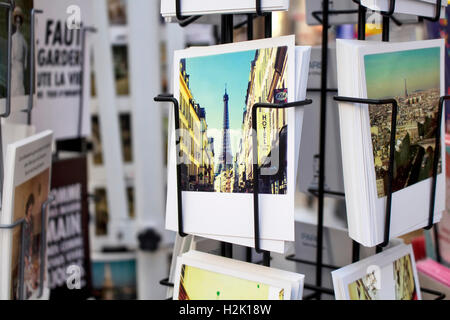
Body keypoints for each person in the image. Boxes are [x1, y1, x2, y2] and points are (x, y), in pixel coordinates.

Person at [11, 6, 28, 96]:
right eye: (16, 22)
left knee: (20, 82)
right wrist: (11, 60)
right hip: (14, 63)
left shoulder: (22, 38)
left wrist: (25, 60)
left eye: (19, 22)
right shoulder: (13, 38)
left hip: (20, 64)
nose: (18, 24)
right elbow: (11, 49)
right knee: (14, 82)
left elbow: (26, 47)